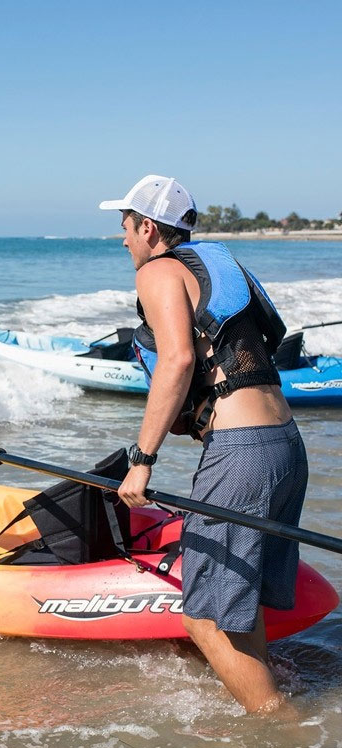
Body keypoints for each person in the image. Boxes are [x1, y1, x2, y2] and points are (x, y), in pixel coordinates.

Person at [99, 176, 306, 714]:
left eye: (124, 226)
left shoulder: (159, 272)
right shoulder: (214, 265)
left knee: (204, 616)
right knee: (242, 601)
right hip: (285, 444)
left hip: (243, 453)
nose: (123, 239)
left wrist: (141, 462)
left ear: (148, 228)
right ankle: (268, 704)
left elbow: (176, 360)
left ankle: (280, 730)